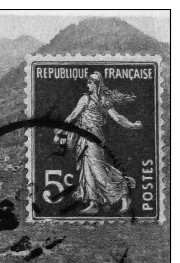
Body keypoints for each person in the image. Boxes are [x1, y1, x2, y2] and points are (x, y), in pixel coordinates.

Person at [56, 71, 143, 215]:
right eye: (87, 82)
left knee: (98, 170)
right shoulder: (85, 99)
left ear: (96, 84)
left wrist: (132, 125)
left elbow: (118, 117)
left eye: (90, 82)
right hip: (83, 138)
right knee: (87, 170)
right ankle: (93, 203)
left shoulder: (103, 100)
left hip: (94, 137)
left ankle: (124, 193)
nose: (87, 85)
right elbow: (73, 116)